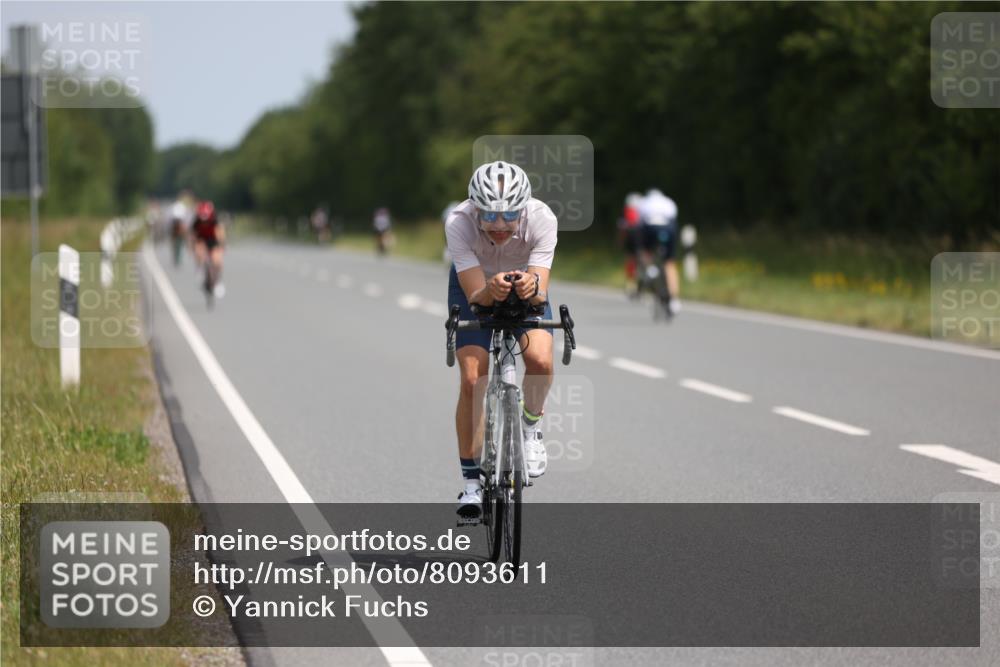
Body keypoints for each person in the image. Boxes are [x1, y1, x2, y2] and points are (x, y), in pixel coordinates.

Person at [445, 161, 557, 520]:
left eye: (510, 213)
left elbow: (540, 292)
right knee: (472, 378)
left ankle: (530, 427)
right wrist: (488, 291)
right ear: (475, 208)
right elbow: (476, 295)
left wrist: (532, 288)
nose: (499, 224)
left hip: (524, 284)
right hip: (474, 287)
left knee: (540, 359)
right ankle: (472, 484)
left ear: (523, 207)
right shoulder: (459, 223)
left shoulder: (542, 219)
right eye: (489, 214)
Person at [639, 188, 681, 315]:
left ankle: (649, 269)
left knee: (644, 251)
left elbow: (640, 222)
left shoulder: (644, 202)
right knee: (670, 263)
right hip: (669, 229)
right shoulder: (669, 202)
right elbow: (674, 219)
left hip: (650, 229)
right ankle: (674, 300)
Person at [191, 201, 226, 298]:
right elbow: (193, 236)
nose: (204, 222)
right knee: (199, 251)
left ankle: (217, 282)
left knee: (217, 261)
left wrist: (221, 247)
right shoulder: (196, 221)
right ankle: (200, 270)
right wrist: (193, 248)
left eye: (206, 219)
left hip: (213, 240)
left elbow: (221, 235)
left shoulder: (215, 221)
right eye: (202, 220)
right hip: (201, 240)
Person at [617, 192, 644, 298]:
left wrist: (620, 242)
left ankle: (631, 284)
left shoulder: (626, 211)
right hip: (642, 234)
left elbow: (622, 228)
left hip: (631, 234)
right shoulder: (642, 209)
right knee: (642, 257)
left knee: (631, 259)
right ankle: (641, 282)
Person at [169, 200, 189, 267]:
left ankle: (178, 258)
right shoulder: (174, 218)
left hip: (180, 230)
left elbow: (184, 224)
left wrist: (184, 234)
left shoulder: (181, 215)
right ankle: (175, 257)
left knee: (180, 245)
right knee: (175, 244)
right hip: (175, 230)